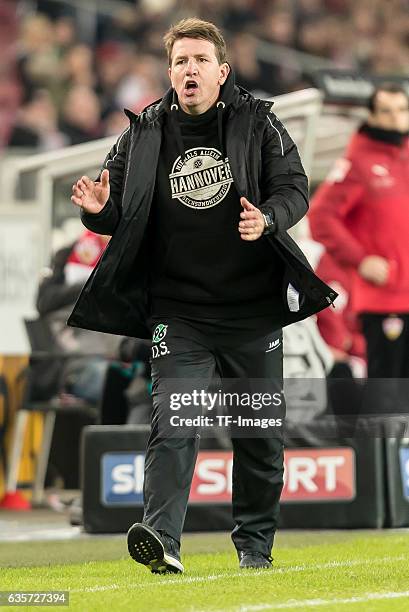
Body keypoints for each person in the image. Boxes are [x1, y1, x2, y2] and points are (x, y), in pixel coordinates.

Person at [68, 18, 335, 573]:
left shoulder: (259, 121)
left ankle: (254, 549)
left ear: (222, 71)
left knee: (259, 438)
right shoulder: (142, 131)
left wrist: (268, 220)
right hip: (178, 312)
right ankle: (162, 539)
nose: (189, 70)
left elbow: (294, 188)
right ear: (170, 72)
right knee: (174, 421)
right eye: (180, 62)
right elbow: (117, 209)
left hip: (252, 310)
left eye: (199, 61)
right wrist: (97, 210)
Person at [309, 83, 409, 412]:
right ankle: (382, 463)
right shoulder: (358, 162)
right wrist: (361, 259)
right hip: (385, 301)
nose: (396, 119)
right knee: (388, 398)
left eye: (402, 110)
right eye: (387, 111)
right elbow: (321, 217)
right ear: (372, 116)